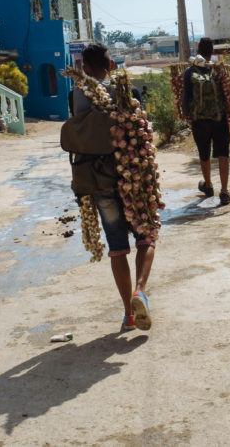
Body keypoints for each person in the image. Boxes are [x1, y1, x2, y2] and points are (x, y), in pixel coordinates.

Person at [71, 43, 155, 331]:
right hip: (132, 176)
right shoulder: (127, 92)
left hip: (99, 180)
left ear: (85, 68)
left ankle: (128, 315)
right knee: (146, 236)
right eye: (109, 63)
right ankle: (139, 291)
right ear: (107, 66)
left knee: (117, 247)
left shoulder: (76, 95)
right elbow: (143, 132)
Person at [183, 37, 230, 205]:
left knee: (204, 153)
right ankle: (224, 192)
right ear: (212, 52)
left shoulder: (190, 72)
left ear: (198, 52)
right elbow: (229, 95)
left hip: (200, 121)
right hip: (219, 118)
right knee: (223, 154)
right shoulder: (218, 70)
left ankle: (208, 186)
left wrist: (189, 117)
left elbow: (185, 98)